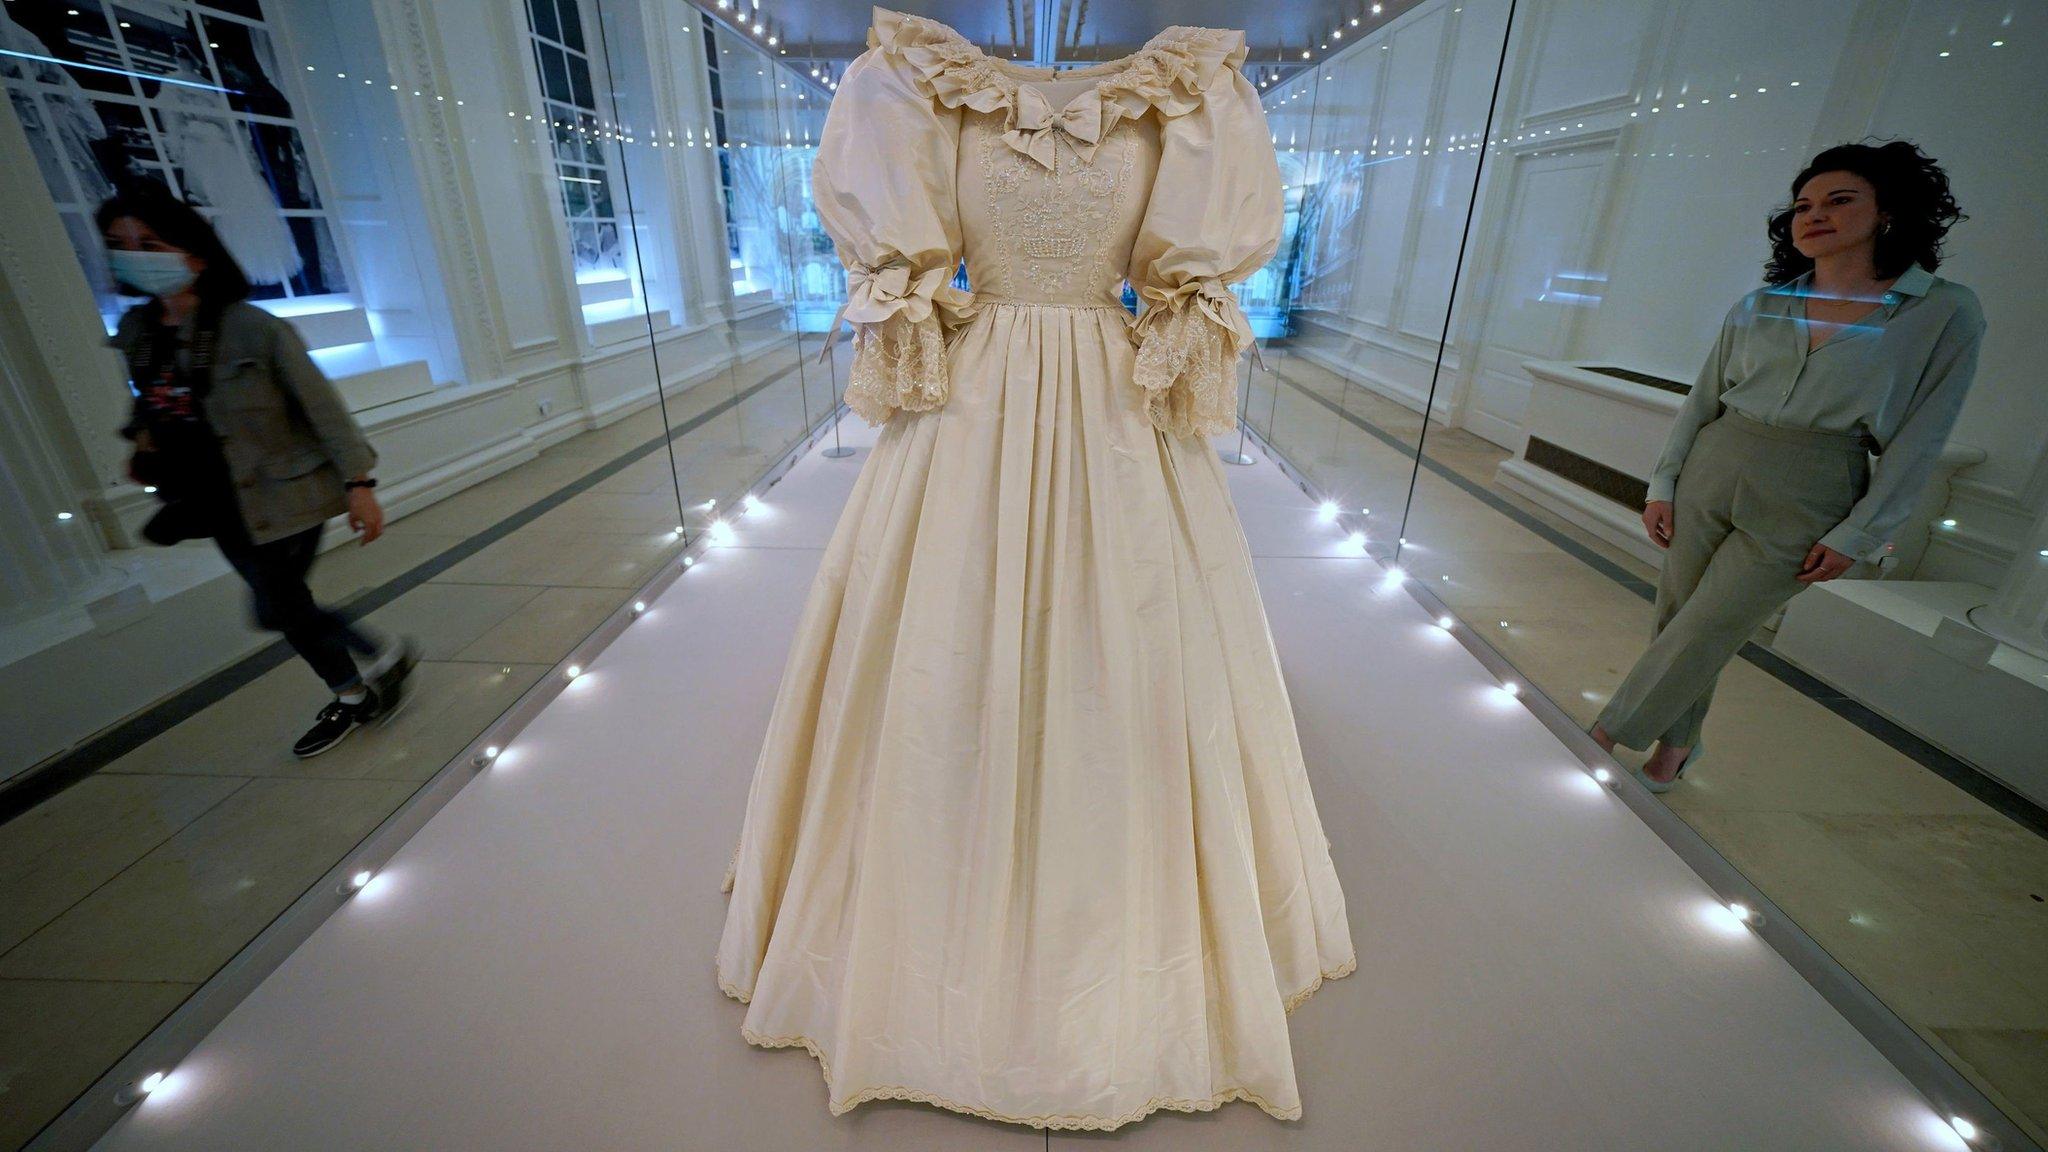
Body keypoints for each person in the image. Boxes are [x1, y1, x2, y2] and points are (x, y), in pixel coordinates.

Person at [713, 9, 1355, 1130]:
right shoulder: (913, 81)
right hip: (971, 396)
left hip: (1113, 400)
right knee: (937, 638)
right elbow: (896, 245)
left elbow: (1190, 269)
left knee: (1131, 632)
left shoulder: (1188, 91)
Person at [1591, 141, 1985, 792]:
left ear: (1888, 211)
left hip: (1816, 483)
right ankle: (1677, 745)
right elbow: (1701, 402)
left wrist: (1858, 533)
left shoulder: (1944, 311)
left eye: (1839, 199)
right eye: (1803, 204)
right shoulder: (1761, 304)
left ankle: (1604, 736)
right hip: (1717, 460)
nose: (1814, 214)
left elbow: (1923, 437)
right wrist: (1664, 482)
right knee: (1680, 615)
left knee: (1713, 621)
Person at [99, 182, 417, 758]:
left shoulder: (255, 329)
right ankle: (353, 691)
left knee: (277, 605)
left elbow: (326, 413)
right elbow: (152, 402)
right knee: (288, 607)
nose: (136, 255)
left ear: (194, 254)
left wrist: (360, 486)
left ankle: (382, 654)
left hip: (284, 494)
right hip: (209, 498)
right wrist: (141, 442)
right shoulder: (141, 334)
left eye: (150, 242)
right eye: (120, 244)